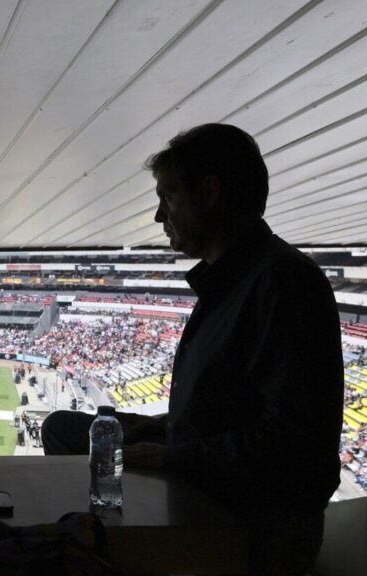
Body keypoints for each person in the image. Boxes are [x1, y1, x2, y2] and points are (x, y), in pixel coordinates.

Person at [40, 124, 343, 575]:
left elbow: (293, 445)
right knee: (65, 427)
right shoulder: (244, 279)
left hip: (247, 518)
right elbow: (235, 409)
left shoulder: (282, 283)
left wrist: (172, 454)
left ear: (210, 193)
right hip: (216, 480)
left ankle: (97, 548)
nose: (159, 216)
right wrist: (161, 425)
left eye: (167, 198)